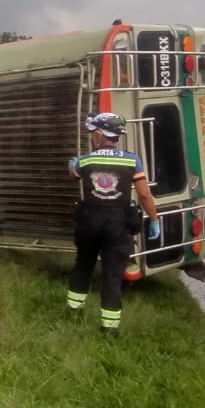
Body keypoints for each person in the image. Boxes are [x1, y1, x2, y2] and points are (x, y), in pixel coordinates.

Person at [67, 111, 160, 333]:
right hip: (117, 226)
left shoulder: (86, 160)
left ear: (99, 134)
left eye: (92, 134)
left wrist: (71, 166)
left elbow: (74, 174)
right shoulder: (131, 160)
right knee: (112, 275)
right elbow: (145, 196)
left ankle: (73, 312)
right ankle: (109, 328)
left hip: (88, 223)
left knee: (83, 266)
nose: (91, 137)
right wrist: (154, 219)